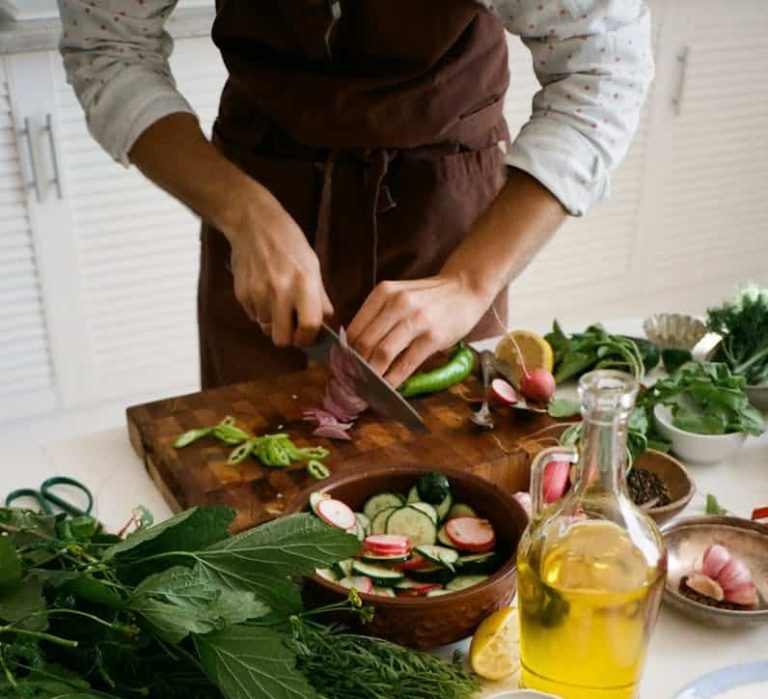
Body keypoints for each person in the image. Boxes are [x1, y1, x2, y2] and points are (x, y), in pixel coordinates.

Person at [57, 0, 653, 390]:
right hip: (258, 189)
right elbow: (110, 50)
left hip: (444, 209)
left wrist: (470, 281)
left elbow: (603, 71)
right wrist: (244, 212)